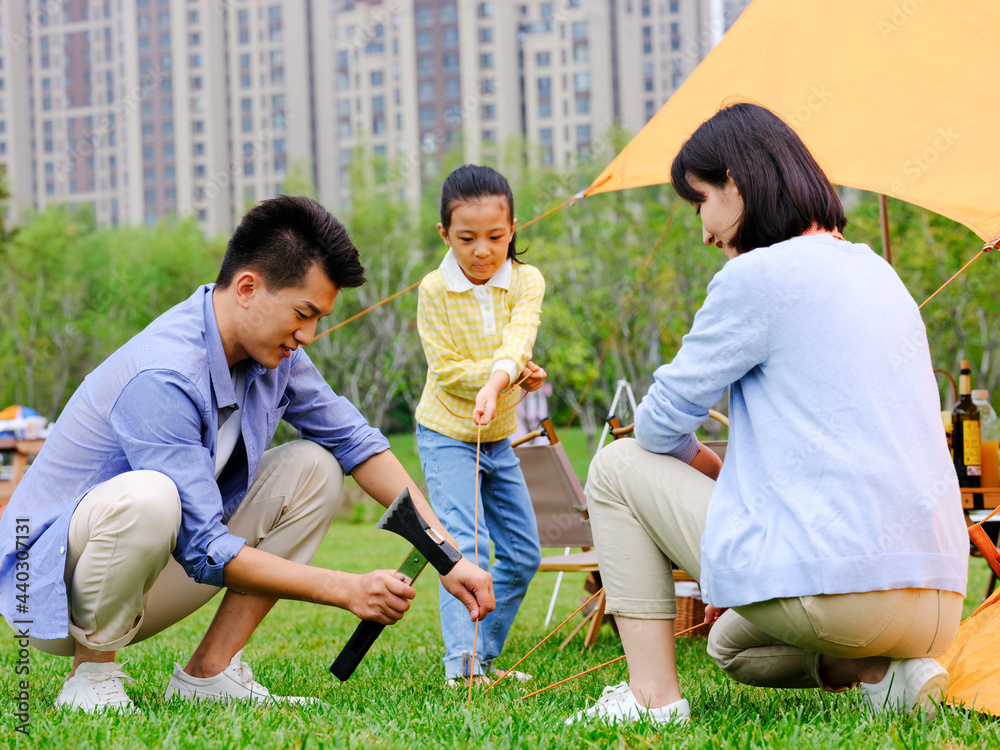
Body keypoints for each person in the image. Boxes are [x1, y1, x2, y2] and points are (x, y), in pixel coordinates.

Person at [0, 195, 494, 713]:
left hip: (146, 572)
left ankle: (209, 673)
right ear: (248, 288)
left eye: (319, 319)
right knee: (150, 495)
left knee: (316, 467)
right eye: (304, 314)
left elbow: (354, 441)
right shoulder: (163, 374)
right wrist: (347, 589)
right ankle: (91, 674)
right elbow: (204, 546)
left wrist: (446, 554)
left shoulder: (274, 352)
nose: (308, 336)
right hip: (47, 592)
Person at [565, 103, 969, 726]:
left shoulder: (755, 276)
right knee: (732, 647)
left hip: (843, 593)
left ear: (736, 181)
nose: (703, 230)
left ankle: (651, 699)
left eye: (699, 202)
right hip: (937, 600)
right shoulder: (880, 273)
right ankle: (885, 673)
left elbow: (654, 425)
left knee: (618, 465)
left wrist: (705, 464)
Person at [414, 165, 547, 685]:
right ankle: (463, 669)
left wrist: (514, 374)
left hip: (498, 438)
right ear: (445, 235)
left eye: (495, 237)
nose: (482, 251)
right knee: (466, 549)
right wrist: (498, 380)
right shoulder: (434, 291)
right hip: (447, 434)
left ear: (513, 228)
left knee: (522, 552)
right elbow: (445, 370)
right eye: (467, 239)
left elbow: (519, 339)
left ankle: (484, 658)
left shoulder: (526, 282)